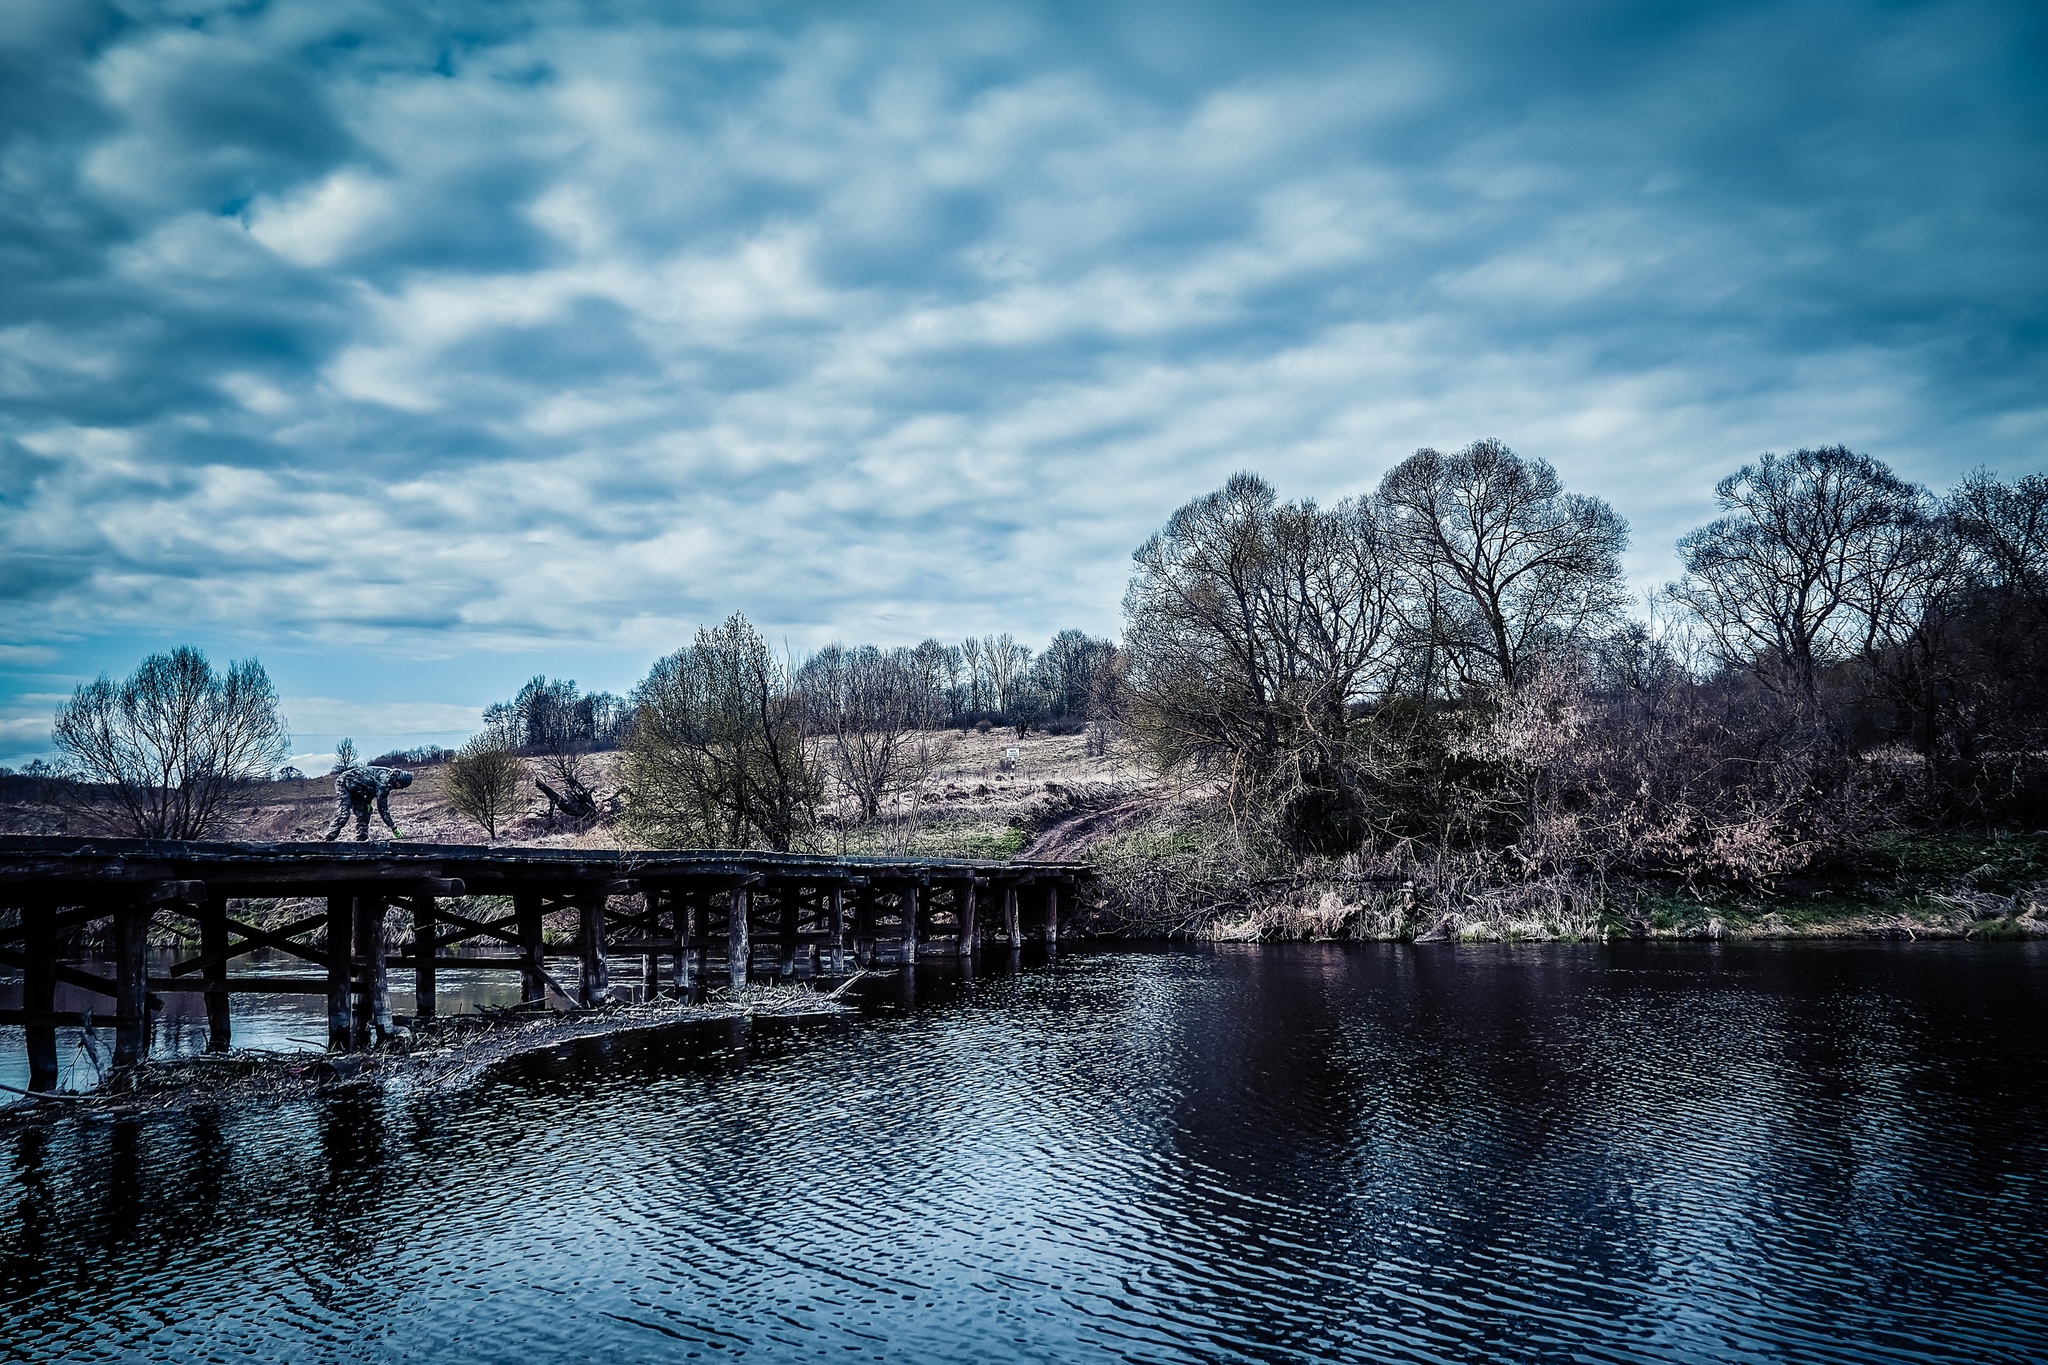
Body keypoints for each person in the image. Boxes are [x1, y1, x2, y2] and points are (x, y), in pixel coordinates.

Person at [322, 763, 415, 842]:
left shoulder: (390, 778)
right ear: (398, 780)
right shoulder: (385, 782)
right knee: (344, 814)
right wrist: (393, 827)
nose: (399, 788)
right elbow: (382, 808)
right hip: (345, 783)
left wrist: (367, 803)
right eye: (401, 786)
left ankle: (362, 839)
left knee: (365, 813)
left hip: (358, 789)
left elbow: (370, 789)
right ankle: (329, 838)